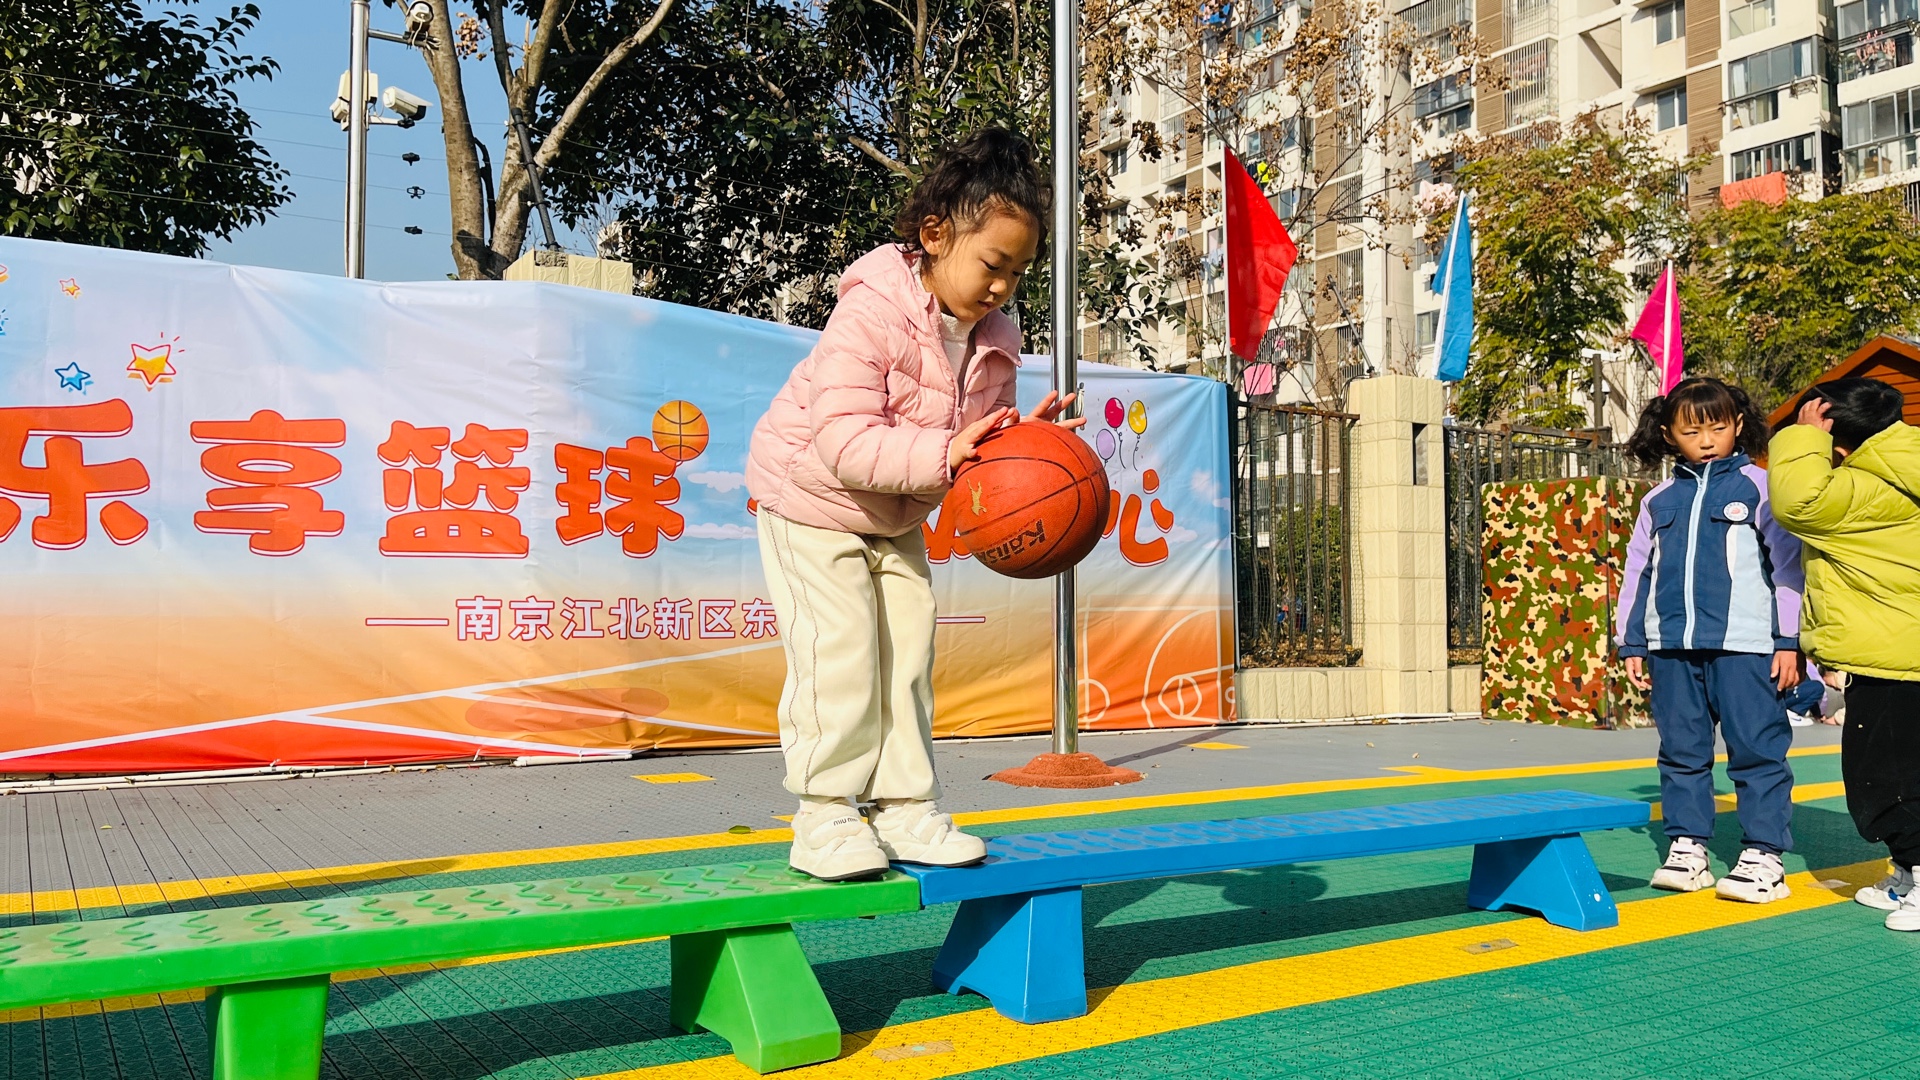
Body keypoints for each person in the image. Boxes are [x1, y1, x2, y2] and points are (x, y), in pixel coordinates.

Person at [745, 129, 1079, 881]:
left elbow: (975, 444)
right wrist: (947, 454)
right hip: (810, 501)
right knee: (839, 652)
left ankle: (903, 809)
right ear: (934, 235)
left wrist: (1025, 446)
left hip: (893, 511)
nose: (1003, 286)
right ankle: (826, 815)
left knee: (906, 655)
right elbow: (843, 441)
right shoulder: (870, 314)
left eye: (1018, 272)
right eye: (992, 264)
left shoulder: (997, 339)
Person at [1617, 377, 1804, 903]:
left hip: (1747, 647)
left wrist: (1788, 640)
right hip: (1672, 648)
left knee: (1757, 750)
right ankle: (1687, 848)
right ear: (1668, 435)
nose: (1706, 441)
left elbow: (1788, 568)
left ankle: (1764, 855)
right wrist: (1633, 643)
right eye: (1691, 431)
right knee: (1681, 752)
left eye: (1717, 428)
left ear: (1738, 426)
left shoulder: (1761, 488)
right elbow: (1638, 574)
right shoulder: (1657, 500)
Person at [1768, 378, 1920, 931]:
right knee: (1894, 770)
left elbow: (1798, 502)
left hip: (1893, 654)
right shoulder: (1902, 466)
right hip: (1896, 647)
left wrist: (1803, 438)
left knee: (1890, 777)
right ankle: (1907, 873)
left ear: (1835, 438)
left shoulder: (1871, 486)